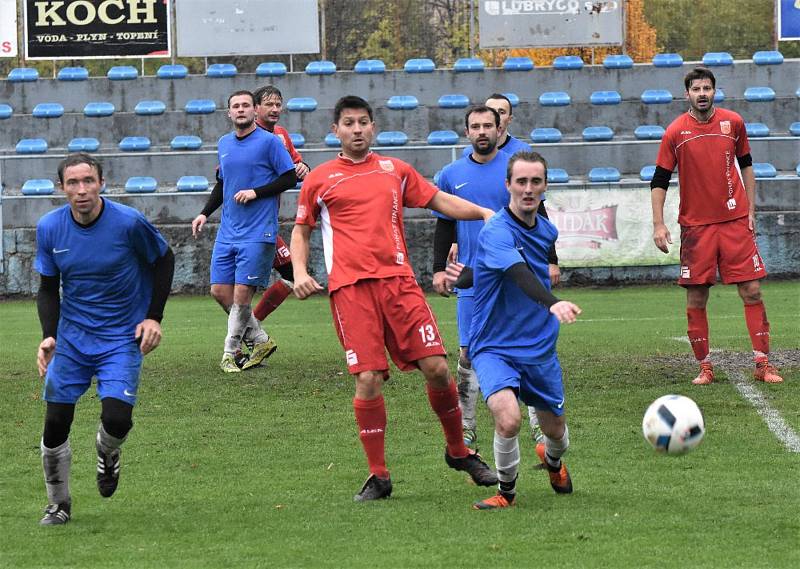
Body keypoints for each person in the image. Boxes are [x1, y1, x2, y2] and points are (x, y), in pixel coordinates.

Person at [290, 95, 499, 501]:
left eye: (363, 122)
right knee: (367, 378)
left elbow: (438, 200)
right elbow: (301, 230)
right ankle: (379, 475)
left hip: (400, 284)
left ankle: (458, 451)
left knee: (438, 367)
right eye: (348, 123)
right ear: (335, 130)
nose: (356, 129)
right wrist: (299, 272)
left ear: (373, 128)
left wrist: (484, 213)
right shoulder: (320, 179)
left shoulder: (395, 170)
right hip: (351, 290)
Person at [34, 153, 175, 525]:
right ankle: (58, 504)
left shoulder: (128, 222)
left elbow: (164, 259)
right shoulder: (49, 228)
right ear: (61, 188)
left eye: (88, 181)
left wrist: (153, 317)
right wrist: (49, 336)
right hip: (73, 340)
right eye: (73, 183)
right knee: (55, 424)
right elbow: (48, 289)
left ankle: (107, 452)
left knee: (117, 419)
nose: (81, 190)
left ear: (101, 183)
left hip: (121, 338)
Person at [445, 151, 581, 510]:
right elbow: (518, 271)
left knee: (556, 433)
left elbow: (497, 265)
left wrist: (463, 275)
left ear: (545, 187)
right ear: (508, 185)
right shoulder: (496, 228)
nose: (528, 189)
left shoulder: (547, 230)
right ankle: (506, 493)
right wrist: (551, 302)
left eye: (535, 182)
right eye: (521, 181)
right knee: (509, 419)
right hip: (493, 345)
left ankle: (553, 463)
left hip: (538, 345)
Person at [432, 106, 558, 448]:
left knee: (527, 349)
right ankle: (466, 424)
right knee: (468, 352)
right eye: (476, 126)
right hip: (475, 279)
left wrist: (551, 261)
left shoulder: (515, 169)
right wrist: (438, 268)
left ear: (499, 127)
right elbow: (444, 222)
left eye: (488, 125)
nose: (482, 131)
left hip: (518, 277)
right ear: (467, 132)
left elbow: (538, 213)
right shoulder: (451, 174)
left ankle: (536, 423)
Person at [651, 67, 782, 385]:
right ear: (687, 94)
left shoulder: (733, 122)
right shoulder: (674, 132)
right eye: (696, 89)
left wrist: (750, 208)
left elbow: (747, 165)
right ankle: (705, 367)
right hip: (696, 227)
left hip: (735, 220)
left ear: (714, 91)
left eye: (707, 88)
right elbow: (659, 180)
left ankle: (763, 364)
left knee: (751, 290)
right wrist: (658, 223)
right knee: (696, 297)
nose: (702, 93)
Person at [191, 90, 297, 373]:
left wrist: (256, 192)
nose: (240, 110)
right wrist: (203, 213)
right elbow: (222, 184)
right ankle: (259, 339)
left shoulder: (270, 142)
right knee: (219, 291)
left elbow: (288, 177)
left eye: (245, 106)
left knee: (241, 294)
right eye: (235, 106)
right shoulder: (224, 143)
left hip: (259, 230)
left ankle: (229, 352)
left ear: (254, 111)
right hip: (228, 230)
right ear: (229, 113)